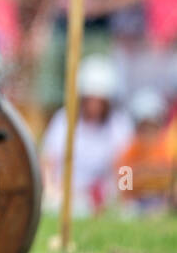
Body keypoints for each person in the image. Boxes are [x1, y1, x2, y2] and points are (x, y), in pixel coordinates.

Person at [41, 54, 133, 217]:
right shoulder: (64, 120)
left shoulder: (119, 125)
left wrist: (122, 197)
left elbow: (125, 167)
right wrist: (51, 190)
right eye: (90, 99)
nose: (94, 105)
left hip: (103, 197)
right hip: (63, 195)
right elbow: (48, 162)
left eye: (99, 100)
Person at [115, 89, 176, 213]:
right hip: (137, 206)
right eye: (144, 128)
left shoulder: (167, 149)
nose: (148, 133)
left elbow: (172, 183)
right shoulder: (129, 152)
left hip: (162, 204)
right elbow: (124, 191)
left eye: (152, 127)